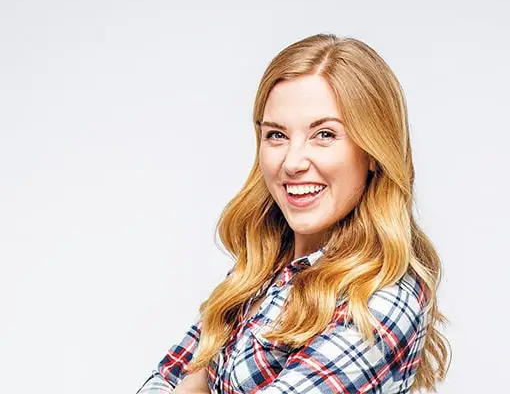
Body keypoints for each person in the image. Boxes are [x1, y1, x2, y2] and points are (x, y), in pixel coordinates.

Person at [136, 33, 450, 394]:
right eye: (276, 135)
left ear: (374, 152)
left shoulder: (380, 301)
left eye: (325, 134)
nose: (292, 162)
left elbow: (183, 381)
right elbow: (162, 380)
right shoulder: (259, 271)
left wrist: (198, 382)